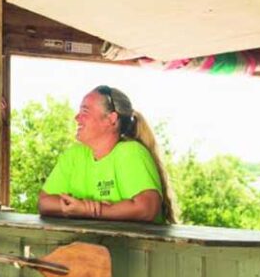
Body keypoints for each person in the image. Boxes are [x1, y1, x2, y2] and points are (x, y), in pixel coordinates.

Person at [39, 85, 177, 224]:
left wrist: (91, 211)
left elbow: (147, 209)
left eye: (84, 111)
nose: (77, 118)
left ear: (111, 118)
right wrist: (76, 207)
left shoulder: (131, 152)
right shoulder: (73, 155)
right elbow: (44, 202)